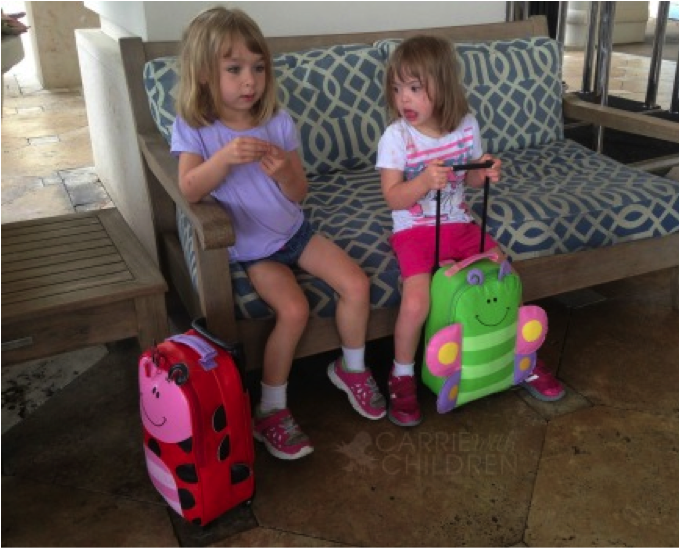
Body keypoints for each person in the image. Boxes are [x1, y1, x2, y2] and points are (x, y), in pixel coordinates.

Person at [171, 7, 386, 460]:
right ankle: (271, 409)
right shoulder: (196, 128)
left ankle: (351, 368)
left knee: (356, 283)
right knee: (294, 310)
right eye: (234, 69)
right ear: (204, 74)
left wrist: (285, 171)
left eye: (258, 67)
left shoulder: (278, 121)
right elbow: (189, 188)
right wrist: (224, 159)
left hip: (295, 232)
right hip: (254, 251)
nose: (249, 81)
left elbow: (299, 191)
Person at [376, 35, 565, 427]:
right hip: (414, 232)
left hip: (460, 225)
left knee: (505, 275)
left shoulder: (466, 126)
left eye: (415, 88)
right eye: (397, 88)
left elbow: (473, 181)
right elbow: (393, 198)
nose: (403, 98)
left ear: (443, 85)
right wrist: (423, 182)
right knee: (416, 302)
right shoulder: (397, 137)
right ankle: (402, 374)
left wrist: (486, 170)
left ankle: (522, 356)